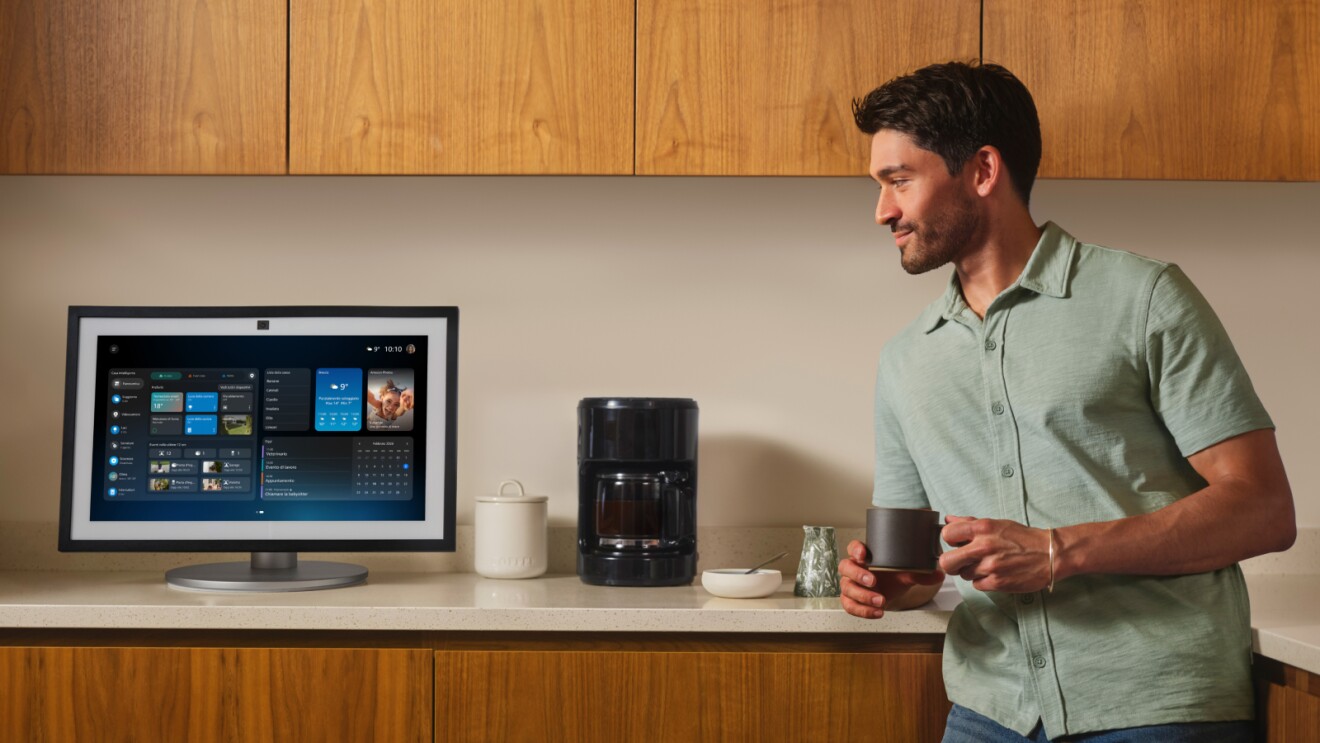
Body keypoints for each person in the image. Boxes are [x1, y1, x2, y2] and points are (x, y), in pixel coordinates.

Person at [836, 61, 1296, 742]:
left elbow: (1262, 507)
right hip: (989, 712)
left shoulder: (1143, 298)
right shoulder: (906, 359)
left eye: (899, 181)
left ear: (983, 171)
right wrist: (880, 582)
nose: (882, 211)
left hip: (1157, 705)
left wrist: (1058, 550)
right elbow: (918, 565)